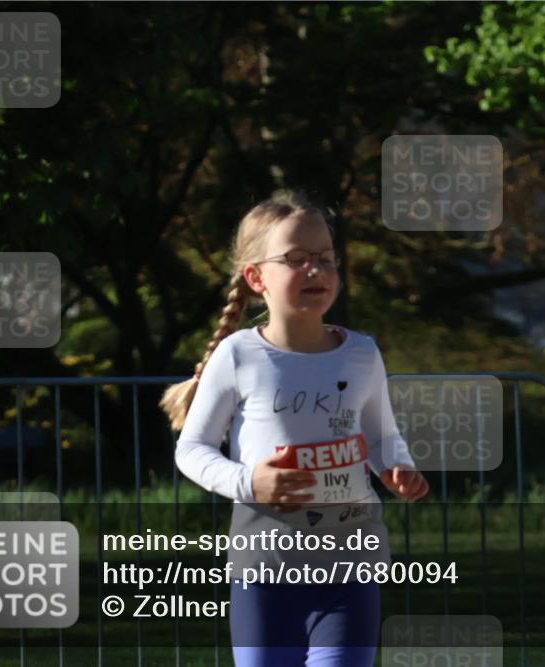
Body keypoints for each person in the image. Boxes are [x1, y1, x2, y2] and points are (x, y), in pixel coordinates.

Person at [159, 190, 428, 667]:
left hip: (351, 570)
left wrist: (396, 466)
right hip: (264, 573)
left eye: (325, 258)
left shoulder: (362, 353)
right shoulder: (238, 355)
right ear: (256, 277)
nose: (315, 270)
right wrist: (250, 482)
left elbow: (381, 436)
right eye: (296, 259)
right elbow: (192, 449)